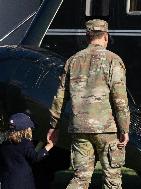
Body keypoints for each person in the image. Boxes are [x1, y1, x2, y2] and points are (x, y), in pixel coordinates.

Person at [47, 19, 130, 189]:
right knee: (112, 181)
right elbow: (120, 99)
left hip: (79, 128)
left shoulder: (72, 61)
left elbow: (60, 97)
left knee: (80, 179)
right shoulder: (114, 60)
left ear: (87, 37)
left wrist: (53, 126)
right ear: (106, 36)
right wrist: (124, 129)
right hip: (107, 129)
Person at [0, 113, 54, 189]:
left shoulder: (4, 144)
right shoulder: (25, 143)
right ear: (26, 129)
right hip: (23, 183)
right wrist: (49, 146)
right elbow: (35, 157)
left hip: (7, 182)